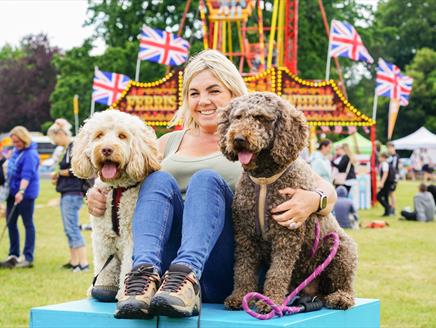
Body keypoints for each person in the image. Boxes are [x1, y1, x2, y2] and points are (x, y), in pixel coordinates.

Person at [86, 50, 337, 319]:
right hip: (166, 264)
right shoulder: (167, 143)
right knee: (157, 179)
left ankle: (187, 278)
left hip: (224, 264)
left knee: (205, 180)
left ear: (233, 93)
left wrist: (314, 200)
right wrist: (97, 192)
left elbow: (326, 188)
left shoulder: (254, 147)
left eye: (213, 90)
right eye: (194, 93)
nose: (203, 101)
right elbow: (122, 178)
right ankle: (142, 277)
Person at [47, 119, 89, 272]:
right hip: (66, 193)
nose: (53, 141)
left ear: (61, 134)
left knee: (72, 228)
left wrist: (59, 173)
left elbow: (76, 170)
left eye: (54, 137)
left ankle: (83, 263)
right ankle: (74, 261)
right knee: (68, 228)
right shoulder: (66, 149)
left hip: (73, 193)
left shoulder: (74, 148)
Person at [0, 126, 39, 269]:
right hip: (12, 192)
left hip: (25, 194)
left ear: (24, 139)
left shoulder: (30, 154)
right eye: (14, 142)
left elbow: (26, 175)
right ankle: (13, 255)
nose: (15, 144)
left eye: (18, 142)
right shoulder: (16, 151)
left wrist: (21, 191)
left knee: (28, 223)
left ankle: (28, 257)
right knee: (11, 223)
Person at [377, 152, 395, 217]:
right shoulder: (386, 164)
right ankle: (387, 211)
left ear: (383, 158)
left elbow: (385, 174)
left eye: (380, 157)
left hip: (386, 183)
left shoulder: (384, 164)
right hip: (388, 183)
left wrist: (381, 183)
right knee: (386, 197)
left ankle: (388, 208)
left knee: (378, 196)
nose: (379, 159)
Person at [387, 142, 399, 215]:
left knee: (392, 193)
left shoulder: (395, 156)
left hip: (393, 177)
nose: (388, 150)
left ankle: (393, 209)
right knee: (389, 193)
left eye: (389, 148)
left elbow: (393, 168)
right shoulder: (390, 156)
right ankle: (390, 207)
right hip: (390, 177)